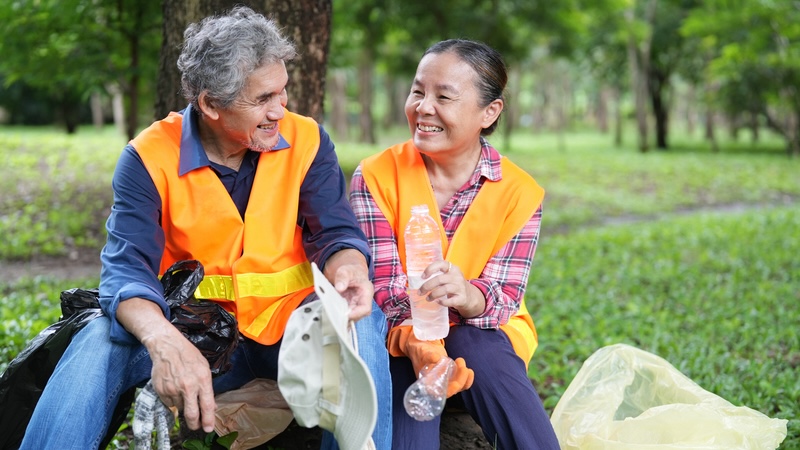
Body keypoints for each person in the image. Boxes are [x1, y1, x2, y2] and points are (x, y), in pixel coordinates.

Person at [20, 6, 391, 450]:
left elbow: (336, 233)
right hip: (198, 339)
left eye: (283, 91)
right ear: (211, 104)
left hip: (293, 336)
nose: (281, 110)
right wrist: (163, 340)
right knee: (98, 337)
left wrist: (350, 268)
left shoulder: (308, 140)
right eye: (263, 99)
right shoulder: (147, 157)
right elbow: (126, 271)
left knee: (364, 324)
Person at [349, 39, 561, 449]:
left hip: (483, 335)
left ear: (489, 112)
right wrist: (421, 344)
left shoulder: (520, 193)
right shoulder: (375, 175)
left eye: (443, 97)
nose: (424, 108)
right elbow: (384, 289)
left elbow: (506, 296)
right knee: (410, 401)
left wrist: (467, 295)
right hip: (401, 337)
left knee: (478, 346)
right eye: (417, 91)